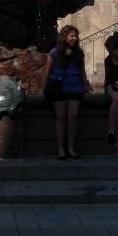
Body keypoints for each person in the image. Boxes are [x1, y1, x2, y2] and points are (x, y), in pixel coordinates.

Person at [46, 24, 91, 160]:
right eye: (72, 36)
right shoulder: (54, 52)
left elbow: (82, 71)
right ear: (64, 37)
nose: (74, 38)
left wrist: (85, 87)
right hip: (58, 87)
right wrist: (43, 88)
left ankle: (71, 148)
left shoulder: (79, 53)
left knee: (73, 116)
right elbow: (47, 72)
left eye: (76, 36)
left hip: (75, 86)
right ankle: (61, 149)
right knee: (60, 117)